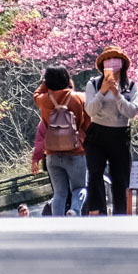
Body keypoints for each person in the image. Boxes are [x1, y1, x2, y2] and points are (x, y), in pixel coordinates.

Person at [83, 44, 138, 216]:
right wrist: (102, 93)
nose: (111, 62)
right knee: (95, 173)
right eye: (107, 59)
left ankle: (120, 215)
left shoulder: (131, 86)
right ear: (102, 65)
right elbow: (90, 110)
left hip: (120, 134)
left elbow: (132, 111)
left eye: (115, 59)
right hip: (97, 134)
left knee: (120, 179)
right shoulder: (93, 83)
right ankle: (99, 211)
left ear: (122, 63)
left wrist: (117, 94)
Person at [33, 65, 89, 218]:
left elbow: (36, 94)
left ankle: (57, 220)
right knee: (79, 188)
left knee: (59, 193)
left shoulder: (44, 101)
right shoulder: (80, 98)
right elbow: (88, 122)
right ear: (67, 78)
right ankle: (75, 210)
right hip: (75, 152)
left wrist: (45, 83)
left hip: (52, 153)